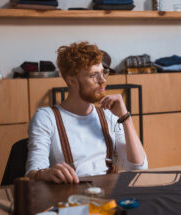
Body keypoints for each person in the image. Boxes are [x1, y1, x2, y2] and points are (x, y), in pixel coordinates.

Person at [25, 41, 148, 183]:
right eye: (94, 75)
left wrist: (125, 118)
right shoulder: (47, 118)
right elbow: (32, 172)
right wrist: (45, 173)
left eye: (103, 73)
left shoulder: (109, 116)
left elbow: (139, 167)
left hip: (108, 196)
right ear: (72, 81)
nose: (102, 81)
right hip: (71, 198)